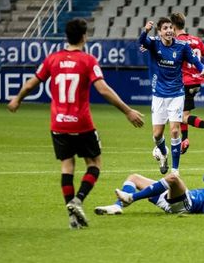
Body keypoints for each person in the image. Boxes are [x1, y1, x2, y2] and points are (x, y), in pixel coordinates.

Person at [7, 18, 145, 229]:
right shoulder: (87, 61)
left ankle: (72, 218)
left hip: (59, 124)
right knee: (94, 164)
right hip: (81, 123)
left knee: (67, 166)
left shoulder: (53, 59)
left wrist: (17, 99)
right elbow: (103, 89)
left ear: (66, 36)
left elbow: (31, 83)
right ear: (84, 36)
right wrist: (127, 111)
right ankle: (78, 201)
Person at [139, 17, 204, 174]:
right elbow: (141, 41)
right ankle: (163, 153)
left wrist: (203, 69)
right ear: (160, 32)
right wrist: (145, 30)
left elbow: (194, 59)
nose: (169, 30)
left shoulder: (182, 46)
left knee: (175, 131)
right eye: (165, 28)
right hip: (158, 94)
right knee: (157, 135)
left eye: (170, 27)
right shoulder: (153, 43)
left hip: (177, 93)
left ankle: (175, 170)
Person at [94, 172, 204, 215]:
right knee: (134, 178)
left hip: (187, 205)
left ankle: (130, 198)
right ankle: (118, 207)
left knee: (173, 179)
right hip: (177, 199)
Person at [170, 12, 204, 154]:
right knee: (184, 113)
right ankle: (185, 139)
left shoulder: (177, 42)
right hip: (196, 82)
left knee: (181, 116)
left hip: (184, 82)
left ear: (173, 27)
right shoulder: (196, 40)